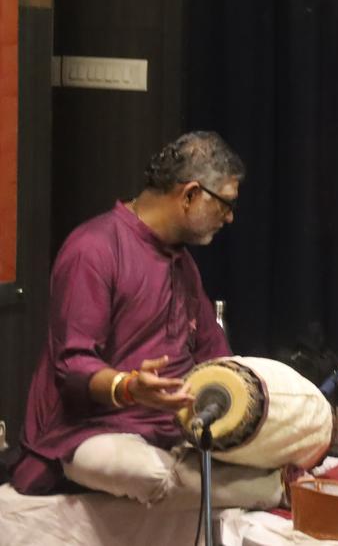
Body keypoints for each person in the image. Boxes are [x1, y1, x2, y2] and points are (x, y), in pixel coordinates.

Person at [12, 131, 286, 509]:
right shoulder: (93, 248)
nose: (229, 217)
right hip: (89, 432)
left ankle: (247, 477)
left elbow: (215, 356)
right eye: (225, 203)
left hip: (172, 430)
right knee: (147, 473)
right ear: (190, 194)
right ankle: (274, 490)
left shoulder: (183, 265)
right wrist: (128, 387)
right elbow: (72, 365)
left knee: (267, 441)